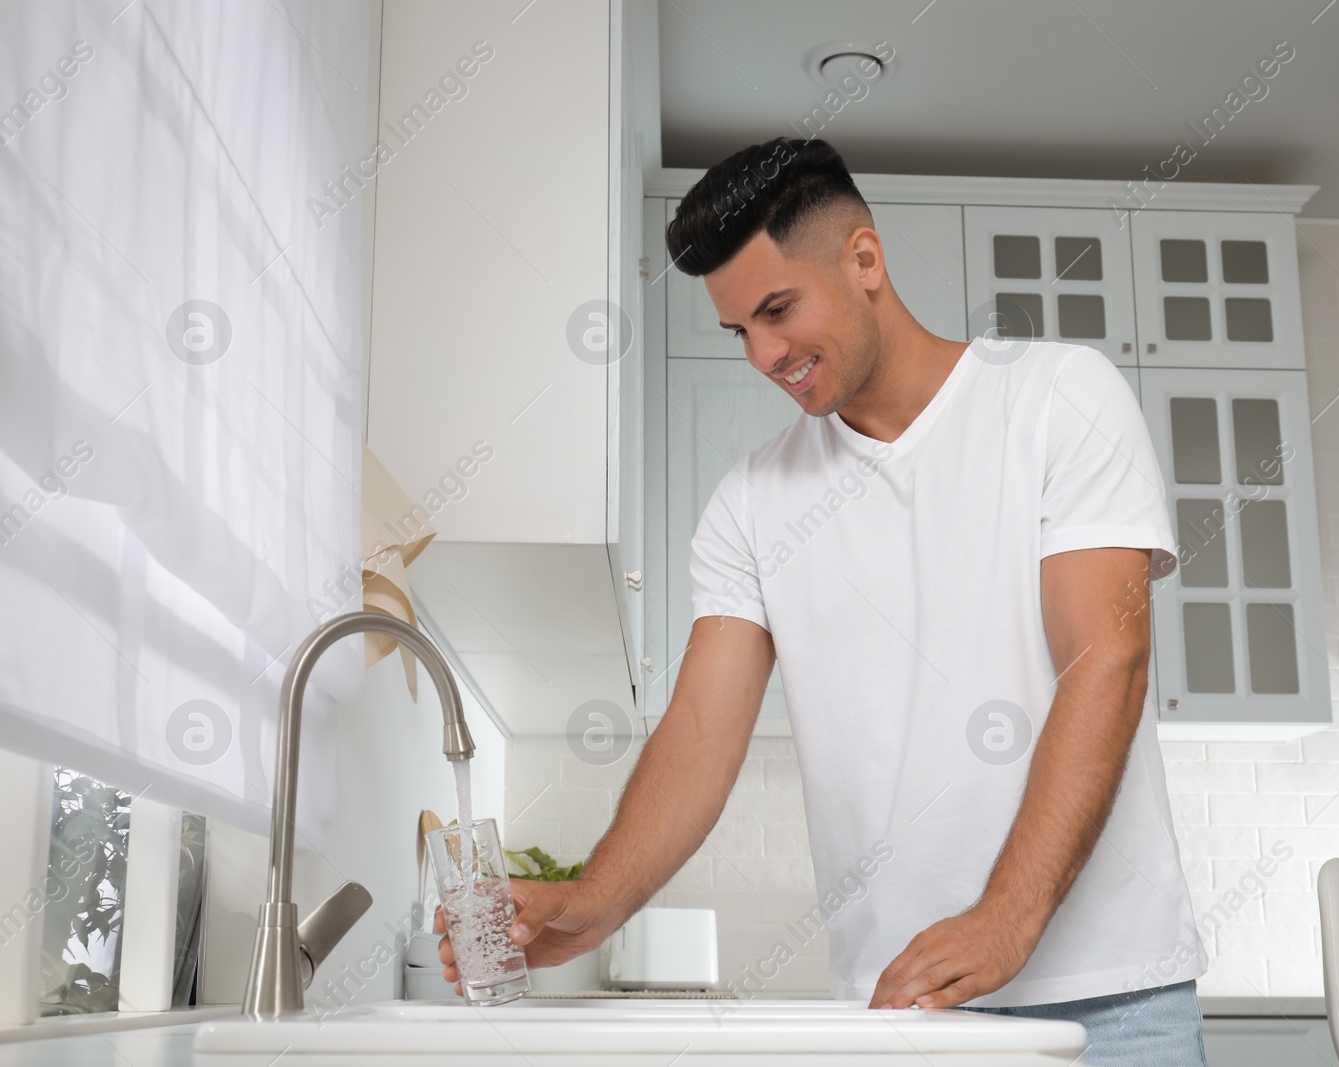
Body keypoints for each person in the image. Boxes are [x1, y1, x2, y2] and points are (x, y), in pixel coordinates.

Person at [438, 135, 1208, 1065]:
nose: (765, 354)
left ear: (864, 259)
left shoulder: (1058, 399)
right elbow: (698, 733)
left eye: (777, 309)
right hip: (902, 1014)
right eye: (740, 332)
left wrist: (1009, 915)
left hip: (1107, 999)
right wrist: (589, 903)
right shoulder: (750, 503)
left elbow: (1107, 661)